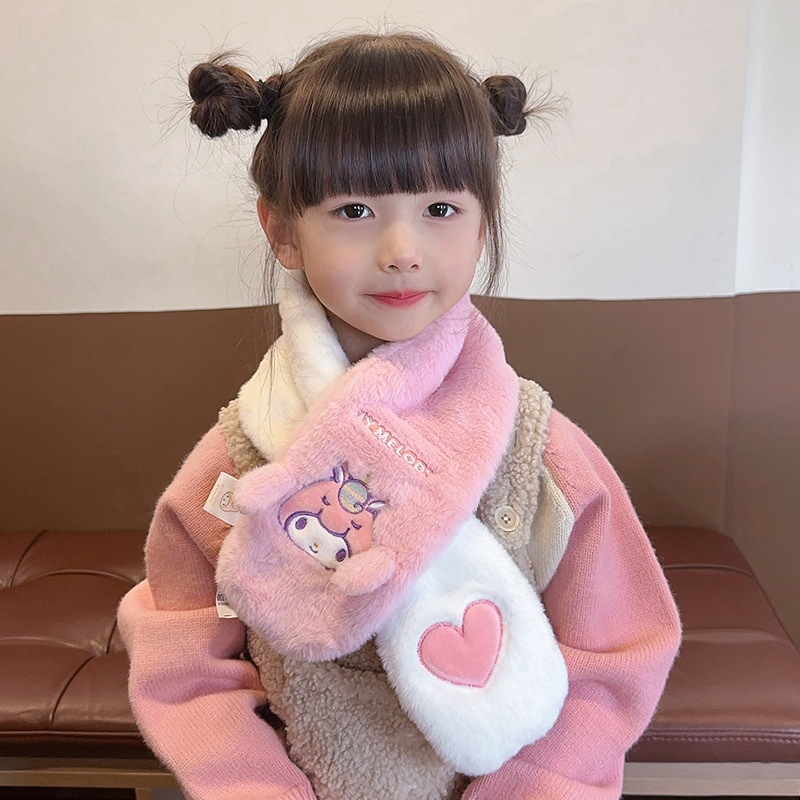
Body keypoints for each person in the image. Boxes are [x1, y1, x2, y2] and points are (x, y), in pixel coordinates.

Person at [118, 30, 681, 800]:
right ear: (281, 231)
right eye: (354, 208)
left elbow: (617, 652)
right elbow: (185, 661)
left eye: (441, 207)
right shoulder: (247, 456)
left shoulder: (535, 449)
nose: (402, 249)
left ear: (483, 222)